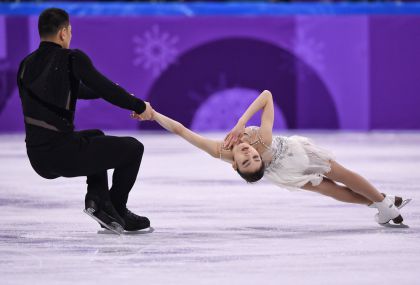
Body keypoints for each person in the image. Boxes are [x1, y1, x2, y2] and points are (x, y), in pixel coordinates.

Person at [133, 90, 409, 226]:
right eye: (251, 159)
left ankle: (382, 204)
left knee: (338, 186)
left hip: (287, 169)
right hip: (292, 160)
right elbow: (266, 96)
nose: (247, 152)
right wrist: (244, 122)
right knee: (339, 182)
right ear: (235, 167)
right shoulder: (259, 140)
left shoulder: (222, 151)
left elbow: (182, 130)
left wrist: (154, 115)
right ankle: (382, 202)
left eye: (248, 156)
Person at [17, 8, 151, 234]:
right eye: (69, 31)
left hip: (37, 157)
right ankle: (117, 209)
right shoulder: (71, 58)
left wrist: (100, 91)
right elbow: (105, 88)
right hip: (62, 153)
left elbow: (69, 90)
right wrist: (140, 106)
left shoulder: (26, 64)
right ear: (63, 33)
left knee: (95, 135)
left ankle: (97, 200)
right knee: (134, 148)